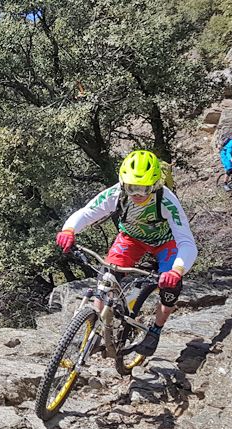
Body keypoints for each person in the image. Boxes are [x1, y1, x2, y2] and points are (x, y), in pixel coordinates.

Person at [55, 150, 198, 357]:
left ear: (156, 184)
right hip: (132, 239)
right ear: (123, 184)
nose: (137, 194)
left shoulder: (167, 200)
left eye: (144, 188)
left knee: (170, 290)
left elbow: (186, 241)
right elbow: (88, 212)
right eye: (132, 188)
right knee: (106, 279)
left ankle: (155, 330)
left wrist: (177, 271)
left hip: (166, 244)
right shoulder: (117, 193)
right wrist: (69, 230)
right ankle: (95, 329)